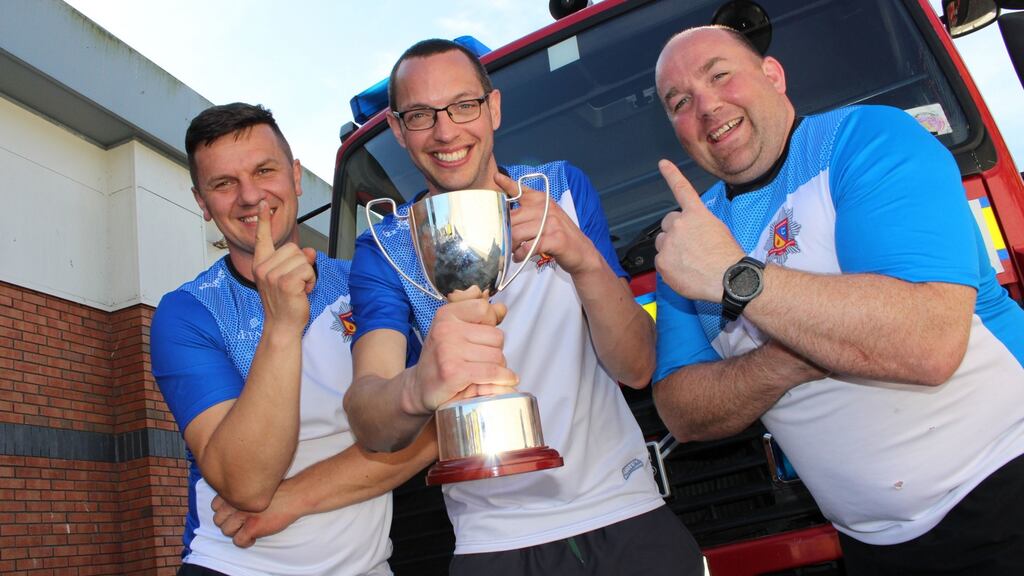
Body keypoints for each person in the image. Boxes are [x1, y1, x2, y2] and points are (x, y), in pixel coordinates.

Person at [651, 25, 1024, 576]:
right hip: (872, 546)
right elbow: (682, 411)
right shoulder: (691, 238)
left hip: (1005, 488)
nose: (706, 106)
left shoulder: (867, 140)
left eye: (720, 75)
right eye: (680, 102)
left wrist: (736, 277)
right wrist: (795, 353)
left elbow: (926, 344)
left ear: (773, 76)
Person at [344, 39, 703, 576]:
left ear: (493, 108)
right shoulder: (385, 246)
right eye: (421, 115)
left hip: (624, 504)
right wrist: (420, 385)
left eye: (463, 105)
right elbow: (371, 418)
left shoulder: (560, 189)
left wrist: (580, 257)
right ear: (397, 130)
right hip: (493, 540)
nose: (446, 132)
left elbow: (637, 366)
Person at [150, 102, 435, 576]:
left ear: (296, 176)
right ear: (202, 203)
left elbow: (438, 429)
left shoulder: (366, 281)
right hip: (234, 565)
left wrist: (296, 498)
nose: (250, 196)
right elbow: (247, 485)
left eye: (264, 170)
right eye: (223, 184)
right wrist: (281, 324)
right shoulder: (187, 313)